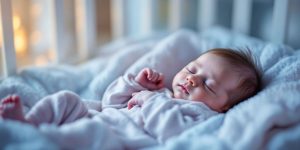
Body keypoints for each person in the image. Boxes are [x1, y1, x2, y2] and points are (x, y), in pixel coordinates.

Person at [0, 48, 261, 148]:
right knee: (67, 100)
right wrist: (135, 84)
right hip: (99, 116)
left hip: (112, 139)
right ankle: (28, 123)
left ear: (225, 107)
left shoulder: (202, 117)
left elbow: (171, 133)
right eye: (192, 69)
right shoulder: (162, 92)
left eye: (208, 85)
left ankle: (41, 139)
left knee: (90, 133)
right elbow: (110, 102)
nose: (192, 79)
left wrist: (150, 101)